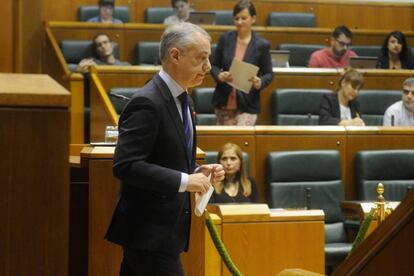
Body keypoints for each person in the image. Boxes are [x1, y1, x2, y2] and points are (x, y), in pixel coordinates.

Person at [104, 22, 225, 275]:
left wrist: (198, 171)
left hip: (165, 232)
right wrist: (185, 180)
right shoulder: (147, 102)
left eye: (209, 58)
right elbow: (126, 165)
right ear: (175, 55)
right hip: (147, 233)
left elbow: (167, 156)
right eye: (201, 58)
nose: (208, 67)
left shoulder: (185, 100)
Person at [211, 0, 273, 125]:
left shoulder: (262, 45)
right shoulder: (225, 39)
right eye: (236, 18)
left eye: (243, 18)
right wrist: (219, 75)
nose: (239, 22)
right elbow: (213, 66)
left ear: (253, 19)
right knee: (222, 144)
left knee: (243, 143)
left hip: (248, 104)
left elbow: (269, 74)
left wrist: (260, 82)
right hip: (223, 102)